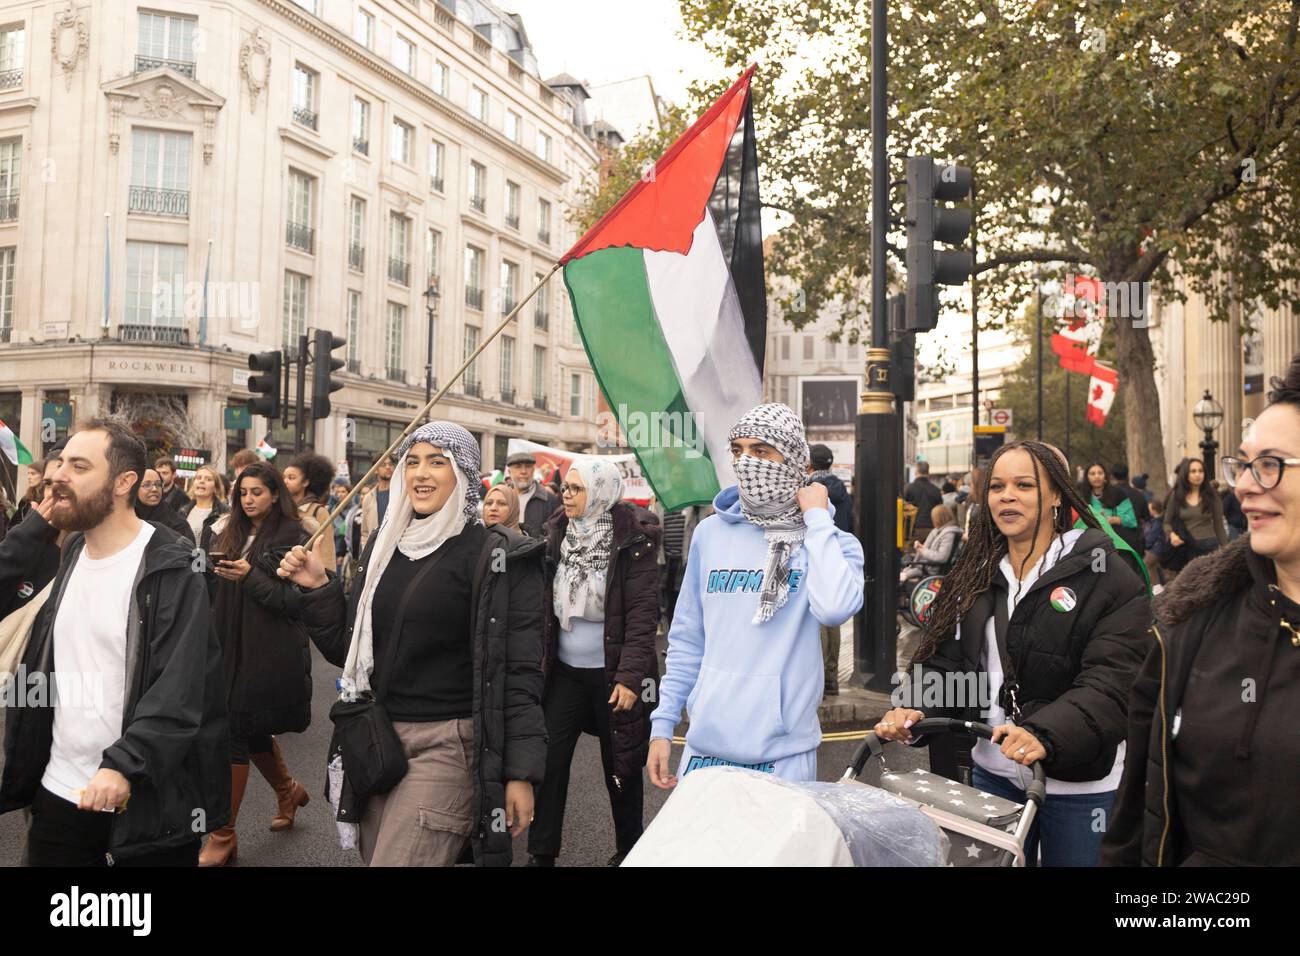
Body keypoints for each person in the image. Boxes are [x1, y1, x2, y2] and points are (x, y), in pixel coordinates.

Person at [279, 422, 546, 867]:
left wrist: (521, 772)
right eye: (413, 461)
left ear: (463, 474)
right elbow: (351, 654)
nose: (421, 473)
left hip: (449, 746)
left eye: (437, 462)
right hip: (378, 740)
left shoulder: (496, 557)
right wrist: (318, 588)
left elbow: (518, 673)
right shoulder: (385, 549)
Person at [877, 440, 1150, 866]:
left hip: (1079, 789)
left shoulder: (1107, 573)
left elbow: (1114, 681)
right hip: (992, 777)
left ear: (1057, 494)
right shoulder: (975, 574)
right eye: (997, 487)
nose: (1007, 496)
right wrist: (913, 709)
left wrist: (1044, 733)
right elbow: (950, 663)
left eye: (1024, 485)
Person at [0, 419, 229, 866]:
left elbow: (180, 688)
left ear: (124, 482)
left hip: (141, 808)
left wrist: (125, 764)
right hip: (56, 797)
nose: (58, 474)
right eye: (60, 462)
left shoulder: (174, 567)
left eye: (79, 466)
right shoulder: (69, 553)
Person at [1103, 356, 1300, 866]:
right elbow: (1134, 819)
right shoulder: (1186, 623)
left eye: (1271, 465)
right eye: (1243, 465)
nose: (1245, 486)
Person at [647, 404, 864, 787]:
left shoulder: (831, 544)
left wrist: (816, 521)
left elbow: (835, 609)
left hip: (783, 754)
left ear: (796, 459)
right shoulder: (710, 534)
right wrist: (663, 724)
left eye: (762, 451)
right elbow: (687, 639)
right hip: (704, 748)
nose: (747, 462)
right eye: (738, 451)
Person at [527, 459, 661, 867]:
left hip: (613, 676)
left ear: (601, 491)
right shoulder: (556, 534)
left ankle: (628, 850)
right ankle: (542, 852)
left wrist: (630, 677)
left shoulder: (634, 539)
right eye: (565, 488)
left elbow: (642, 615)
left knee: (620, 768)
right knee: (548, 764)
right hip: (564, 675)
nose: (566, 495)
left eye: (576, 489)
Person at [199, 462, 312, 865]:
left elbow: (296, 603)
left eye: (257, 492)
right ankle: (288, 790)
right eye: (243, 492)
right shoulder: (225, 529)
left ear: (275, 494)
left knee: (233, 727)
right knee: (249, 728)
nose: (248, 500)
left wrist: (249, 576)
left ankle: (223, 834)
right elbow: (211, 589)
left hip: (269, 649)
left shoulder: (295, 535)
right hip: (226, 643)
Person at [807, 443, 854, 697]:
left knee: (815, 617)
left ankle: (817, 676)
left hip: (816, 556)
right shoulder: (842, 490)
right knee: (832, 619)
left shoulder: (809, 491)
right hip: (838, 555)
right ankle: (831, 677)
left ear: (809, 463)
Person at [1162, 456, 1228, 578]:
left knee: (1208, 584)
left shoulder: (1212, 496)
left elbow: (1219, 528)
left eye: (1201, 471)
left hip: (1209, 547)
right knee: (1189, 586)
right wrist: (1172, 535)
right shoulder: (1176, 496)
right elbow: (1166, 522)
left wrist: (1227, 552)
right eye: (1193, 471)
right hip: (1187, 548)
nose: (1198, 475)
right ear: (1186, 474)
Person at [283, 452, 337, 571]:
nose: (285, 481)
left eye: (291, 477)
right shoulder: (280, 510)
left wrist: (327, 583)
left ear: (305, 482)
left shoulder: (319, 512)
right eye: (284, 477)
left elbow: (327, 553)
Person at [1079, 460, 1141, 556]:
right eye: (1092, 473)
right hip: (1090, 546)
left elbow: (1132, 520)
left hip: (1118, 546)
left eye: (1100, 473)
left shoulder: (1118, 494)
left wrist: (1113, 520)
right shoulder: (1081, 496)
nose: (1096, 476)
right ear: (1087, 477)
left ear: (1105, 476)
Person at [507, 450, 561, 538]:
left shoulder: (551, 501)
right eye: (518, 467)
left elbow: (556, 536)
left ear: (533, 470)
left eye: (528, 467)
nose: (523, 471)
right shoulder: (501, 499)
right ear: (509, 472)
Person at [134, 467, 198, 541]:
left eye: (158, 484)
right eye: (147, 485)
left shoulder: (177, 525)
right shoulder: (125, 518)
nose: (154, 489)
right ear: (135, 489)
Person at [178, 464, 229, 547]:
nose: (202, 481)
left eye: (208, 479)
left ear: (215, 487)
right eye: (198, 478)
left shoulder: (224, 513)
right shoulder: (183, 511)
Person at [1110, 462, 1151, 554]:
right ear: (1127, 474)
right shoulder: (1139, 495)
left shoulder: (1107, 495)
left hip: (1115, 540)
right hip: (1135, 540)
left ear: (1112, 476)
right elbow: (1147, 518)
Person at [360, 453, 396, 551]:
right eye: (383, 465)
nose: (388, 467)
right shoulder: (368, 498)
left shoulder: (401, 494)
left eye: (390, 464)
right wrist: (366, 550)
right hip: (374, 551)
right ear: (375, 470)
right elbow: (365, 531)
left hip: (395, 549)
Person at [904, 460, 943, 541]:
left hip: (913, 531)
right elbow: (940, 511)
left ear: (916, 472)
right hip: (933, 530)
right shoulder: (935, 490)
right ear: (928, 472)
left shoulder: (909, 488)